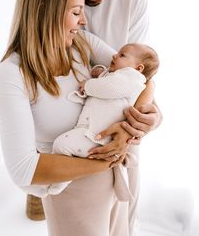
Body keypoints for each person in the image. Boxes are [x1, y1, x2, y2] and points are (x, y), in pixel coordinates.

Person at [0, 0, 154, 236]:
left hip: (113, 185)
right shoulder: (11, 75)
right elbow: (24, 170)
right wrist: (103, 162)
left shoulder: (82, 44)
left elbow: (141, 78)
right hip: (71, 195)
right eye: (77, 12)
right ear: (47, 11)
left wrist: (135, 128)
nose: (84, 20)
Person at [26, 0, 162, 235]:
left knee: (123, 210)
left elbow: (143, 72)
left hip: (117, 112)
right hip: (65, 118)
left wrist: (136, 126)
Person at [47, 43, 159, 201]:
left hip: (98, 137)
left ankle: (58, 184)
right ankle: (61, 180)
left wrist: (88, 85)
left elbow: (111, 88)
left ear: (139, 68)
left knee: (60, 145)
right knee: (63, 146)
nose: (114, 55)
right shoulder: (120, 76)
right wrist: (99, 71)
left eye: (122, 55)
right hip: (91, 131)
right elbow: (109, 80)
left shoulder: (133, 79)